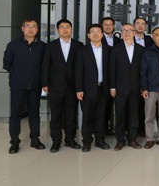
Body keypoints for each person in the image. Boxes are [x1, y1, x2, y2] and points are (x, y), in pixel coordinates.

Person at [3, 18, 46, 154]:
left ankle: (35, 139)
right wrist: (17, 75)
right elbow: (7, 63)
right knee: (15, 114)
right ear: (22, 29)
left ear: (37, 29)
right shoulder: (13, 45)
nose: (31, 29)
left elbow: (45, 66)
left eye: (34, 26)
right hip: (17, 86)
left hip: (35, 86)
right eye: (28, 26)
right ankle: (14, 141)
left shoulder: (42, 46)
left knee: (34, 113)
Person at [41, 19, 83, 152]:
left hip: (72, 87)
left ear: (71, 29)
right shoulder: (50, 46)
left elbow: (81, 67)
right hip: (54, 86)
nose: (65, 29)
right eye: (62, 27)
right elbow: (45, 65)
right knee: (56, 116)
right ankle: (56, 141)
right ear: (58, 30)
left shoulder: (79, 45)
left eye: (67, 27)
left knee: (71, 115)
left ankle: (70, 139)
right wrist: (44, 83)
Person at [75, 23, 111, 152]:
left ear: (102, 35)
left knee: (101, 116)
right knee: (87, 116)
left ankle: (100, 140)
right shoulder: (82, 51)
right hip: (87, 89)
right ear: (88, 35)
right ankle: (87, 141)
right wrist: (79, 89)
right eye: (93, 32)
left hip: (103, 88)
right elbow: (78, 71)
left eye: (98, 32)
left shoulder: (109, 50)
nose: (96, 34)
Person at [109, 23, 144, 151]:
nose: (127, 33)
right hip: (120, 88)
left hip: (136, 88)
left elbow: (143, 70)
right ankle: (120, 140)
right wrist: (112, 87)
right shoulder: (115, 49)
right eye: (124, 31)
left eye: (130, 30)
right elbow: (112, 69)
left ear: (134, 33)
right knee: (120, 115)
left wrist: (143, 87)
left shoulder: (141, 49)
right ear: (121, 33)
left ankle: (132, 139)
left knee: (134, 115)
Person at [101, 17, 121, 137]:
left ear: (113, 26)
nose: (108, 27)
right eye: (105, 24)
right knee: (104, 106)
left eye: (110, 24)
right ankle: (103, 129)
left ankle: (116, 129)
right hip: (102, 78)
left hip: (117, 78)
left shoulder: (119, 41)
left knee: (117, 106)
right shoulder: (97, 39)